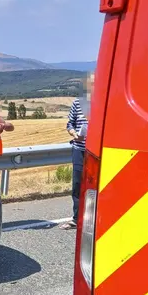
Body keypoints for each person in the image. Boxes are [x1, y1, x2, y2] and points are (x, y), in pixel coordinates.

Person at [60, 73, 94, 230]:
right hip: (79, 149)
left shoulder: (104, 103)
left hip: (96, 152)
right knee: (78, 184)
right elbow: (70, 124)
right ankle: (76, 218)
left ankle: (95, 219)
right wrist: (74, 134)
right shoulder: (77, 103)